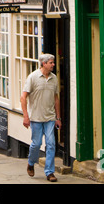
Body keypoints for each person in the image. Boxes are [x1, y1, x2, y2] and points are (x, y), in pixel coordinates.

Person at [20, 54, 61, 182]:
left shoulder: (54, 78)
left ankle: (49, 172)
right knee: (36, 144)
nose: (53, 64)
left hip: (49, 118)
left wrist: (58, 117)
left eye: (53, 62)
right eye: (50, 62)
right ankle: (31, 163)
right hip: (36, 118)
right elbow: (23, 97)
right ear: (43, 64)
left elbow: (56, 98)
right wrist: (26, 116)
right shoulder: (33, 77)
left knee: (51, 144)